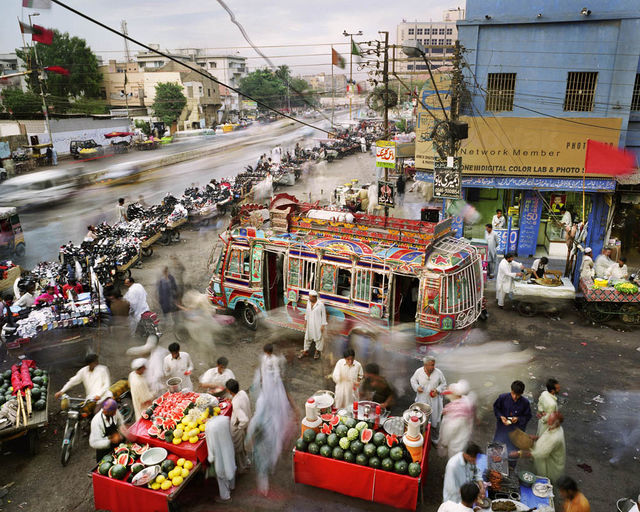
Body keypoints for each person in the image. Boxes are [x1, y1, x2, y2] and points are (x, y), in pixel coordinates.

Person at [247, 343, 295, 496]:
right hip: (265, 440)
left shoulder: (273, 360)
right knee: (266, 460)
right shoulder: (267, 421)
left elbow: (275, 374)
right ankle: (267, 477)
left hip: (271, 386)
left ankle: (265, 481)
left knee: (263, 464)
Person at [510, 411, 566, 483]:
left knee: (544, 483)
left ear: (556, 423)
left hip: (550, 465)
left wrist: (519, 453)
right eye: (549, 418)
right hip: (545, 455)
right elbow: (547, 435)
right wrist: (537, 437)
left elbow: (539, 454)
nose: (548, 420)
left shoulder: (554, 438)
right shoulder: (556, 427)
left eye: (550, 420)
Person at [493, 380, 532, 465]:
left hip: (515, 433)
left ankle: (511, 468)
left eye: (518, 395)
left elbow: (528, 416)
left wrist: (518, 419)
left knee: (512, 455)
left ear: (521, 394)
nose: (515, 397)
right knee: (497, 451)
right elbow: (496, 408)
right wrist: (501, 416)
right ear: (511, 390)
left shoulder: (525, 403)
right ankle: (495, 466)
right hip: (501, 430)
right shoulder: (502, 398)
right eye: (513, 394)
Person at [410, 356, 447, 444]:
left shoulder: (438, 373)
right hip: (422, 400)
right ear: (425, 365)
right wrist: (417, 387)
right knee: (421, 420)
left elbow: (444, 384)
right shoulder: (419, 372)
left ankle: (434, 440)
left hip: (434, 401)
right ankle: (420, 438)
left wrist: (437, 390)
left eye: (433, 365)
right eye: (431, 365)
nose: (432, 367)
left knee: (435, 420)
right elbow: (413, 380)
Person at [438, 380, 476, 459]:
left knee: (454, 459)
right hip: (465, 436)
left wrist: (444, 443)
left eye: (450, 393)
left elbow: (448, 431)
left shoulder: (454, 415)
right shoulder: (466, 401)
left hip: (456, 443)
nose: (448, 395)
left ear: (455, 395)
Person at [204, 414, 237, 503]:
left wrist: (210, 458)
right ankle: (232, 486)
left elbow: (210, 445)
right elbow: (232, 433)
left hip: (219, 455)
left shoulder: (209, 426)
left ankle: (225, 496)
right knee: (231, 467)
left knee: (221, 475)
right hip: (229, 450)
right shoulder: (225, 419)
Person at [226, 378, 251, 473]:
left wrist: (239, 427)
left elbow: (244, 420)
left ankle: (241, 467)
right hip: (244, 427)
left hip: (238, 429)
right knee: (242, 448)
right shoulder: (242, 393)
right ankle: (246, 462)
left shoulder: (236, 403)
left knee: (238, 449)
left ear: (229, 390)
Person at [300, 290, 327, 360]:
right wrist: (305, 321)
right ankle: (305, 351)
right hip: (309, 323)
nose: (309, 298)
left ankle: (317, 351)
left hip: (317, 324)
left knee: (318, 338)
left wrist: (323, 325)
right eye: (309, 297)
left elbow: (324, 315)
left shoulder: (321, 305)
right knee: (307, 337)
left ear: (315, 297)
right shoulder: (308, 303)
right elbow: (307, 312)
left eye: (311, 297)